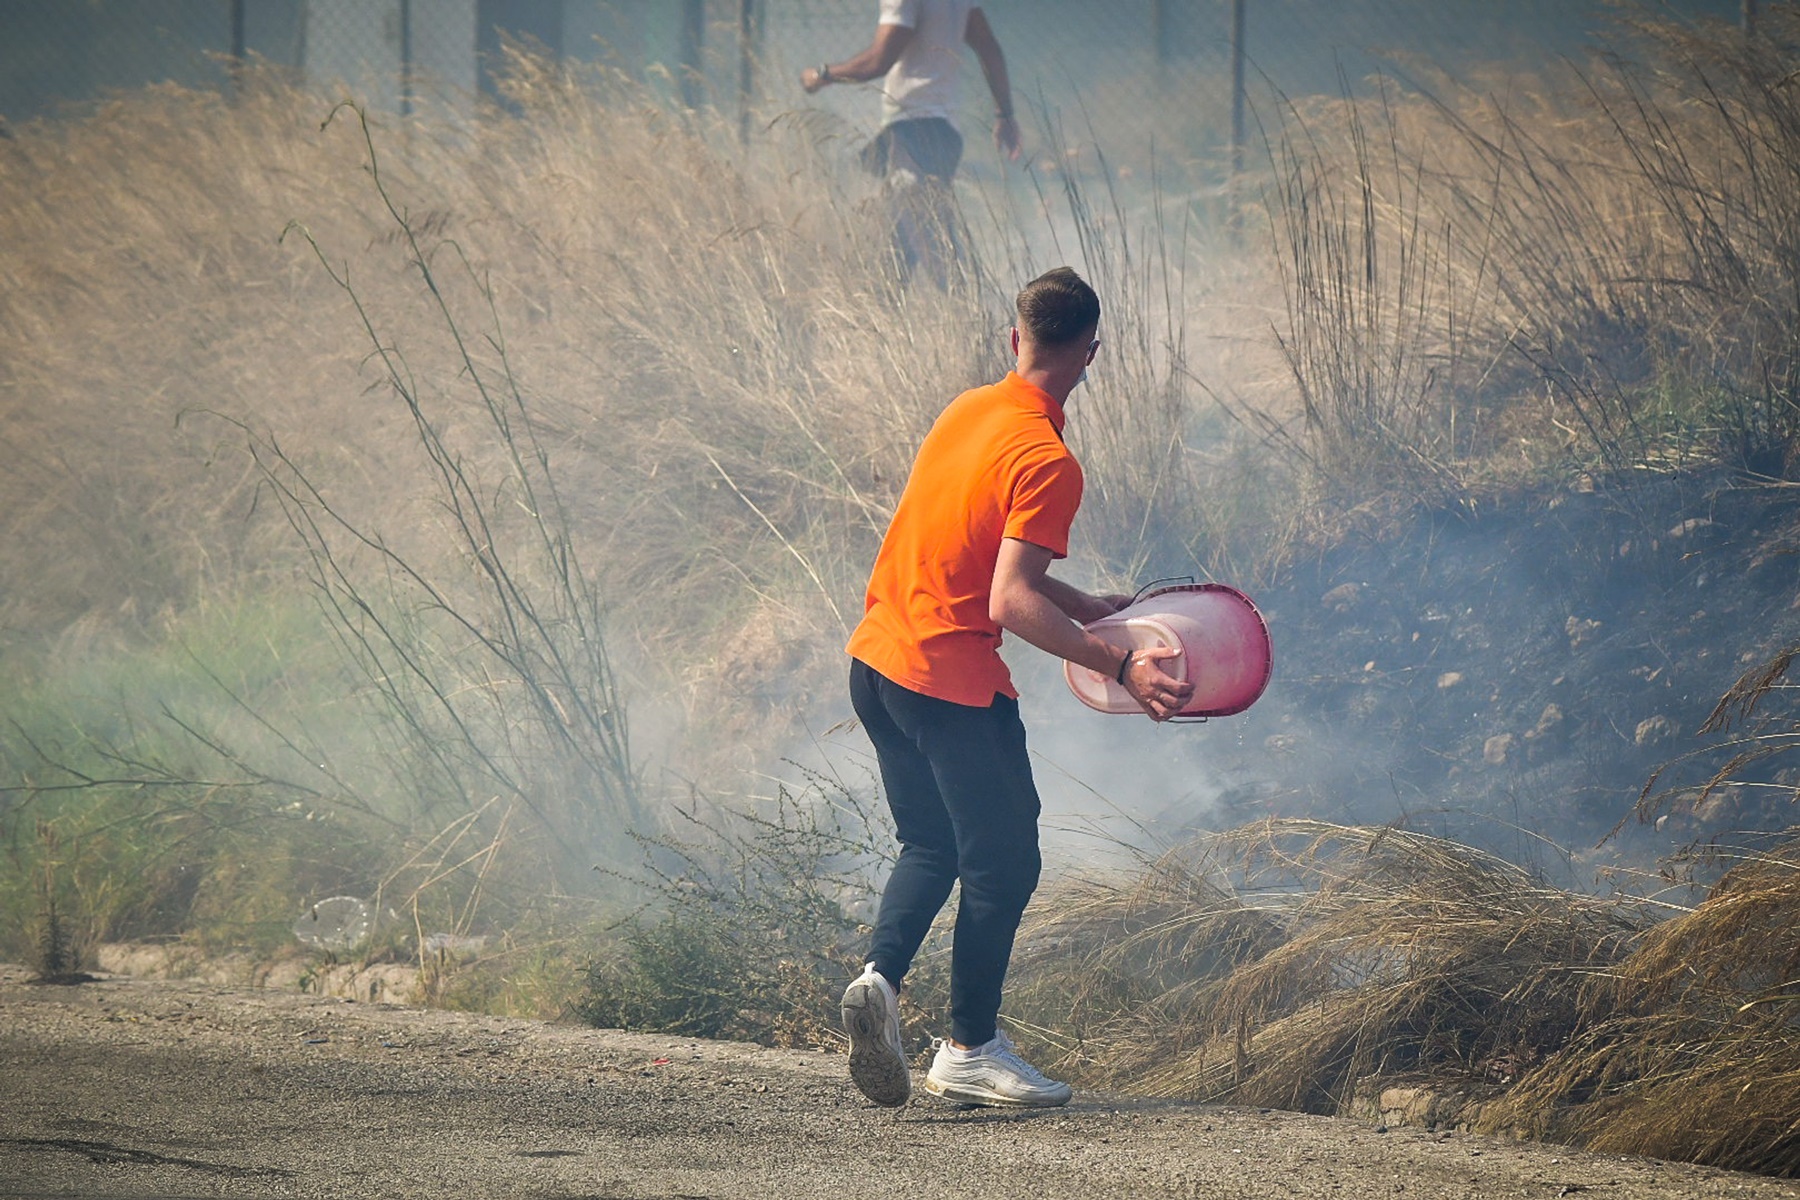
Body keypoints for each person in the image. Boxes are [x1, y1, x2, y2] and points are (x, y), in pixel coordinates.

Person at [839, 267, 1195, 1109]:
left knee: (932, 844)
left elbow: (987, 559)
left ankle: (879, 982)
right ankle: (968, 1048)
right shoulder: (1048, 458)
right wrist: (1120, 664)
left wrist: (1088, 606)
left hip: (876, 664)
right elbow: (1008, 600)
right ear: (1092, 354)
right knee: (1006, 859)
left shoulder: (969, 409)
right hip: (948, 683)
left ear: (1015, 341)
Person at [798, 0, 1020, 279]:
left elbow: (878, 61)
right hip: (944, 133)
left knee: (930, 242)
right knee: (894, 252)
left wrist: (821, 75)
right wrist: (1005, 115)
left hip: (913, 133)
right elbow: (988, 47)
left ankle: (969, 312)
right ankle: (886, 314)